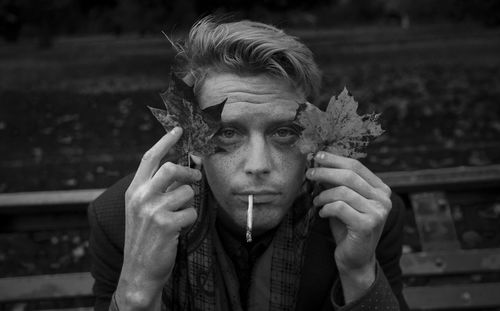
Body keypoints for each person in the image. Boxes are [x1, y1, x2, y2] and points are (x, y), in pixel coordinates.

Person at [88, 16, 409, 311]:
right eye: (228, 132)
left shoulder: (363, 217)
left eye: (284, 132)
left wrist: (359, 273)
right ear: (191, 141)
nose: (258, 165)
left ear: (314, 135)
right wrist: (137, 289)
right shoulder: (123, 219)